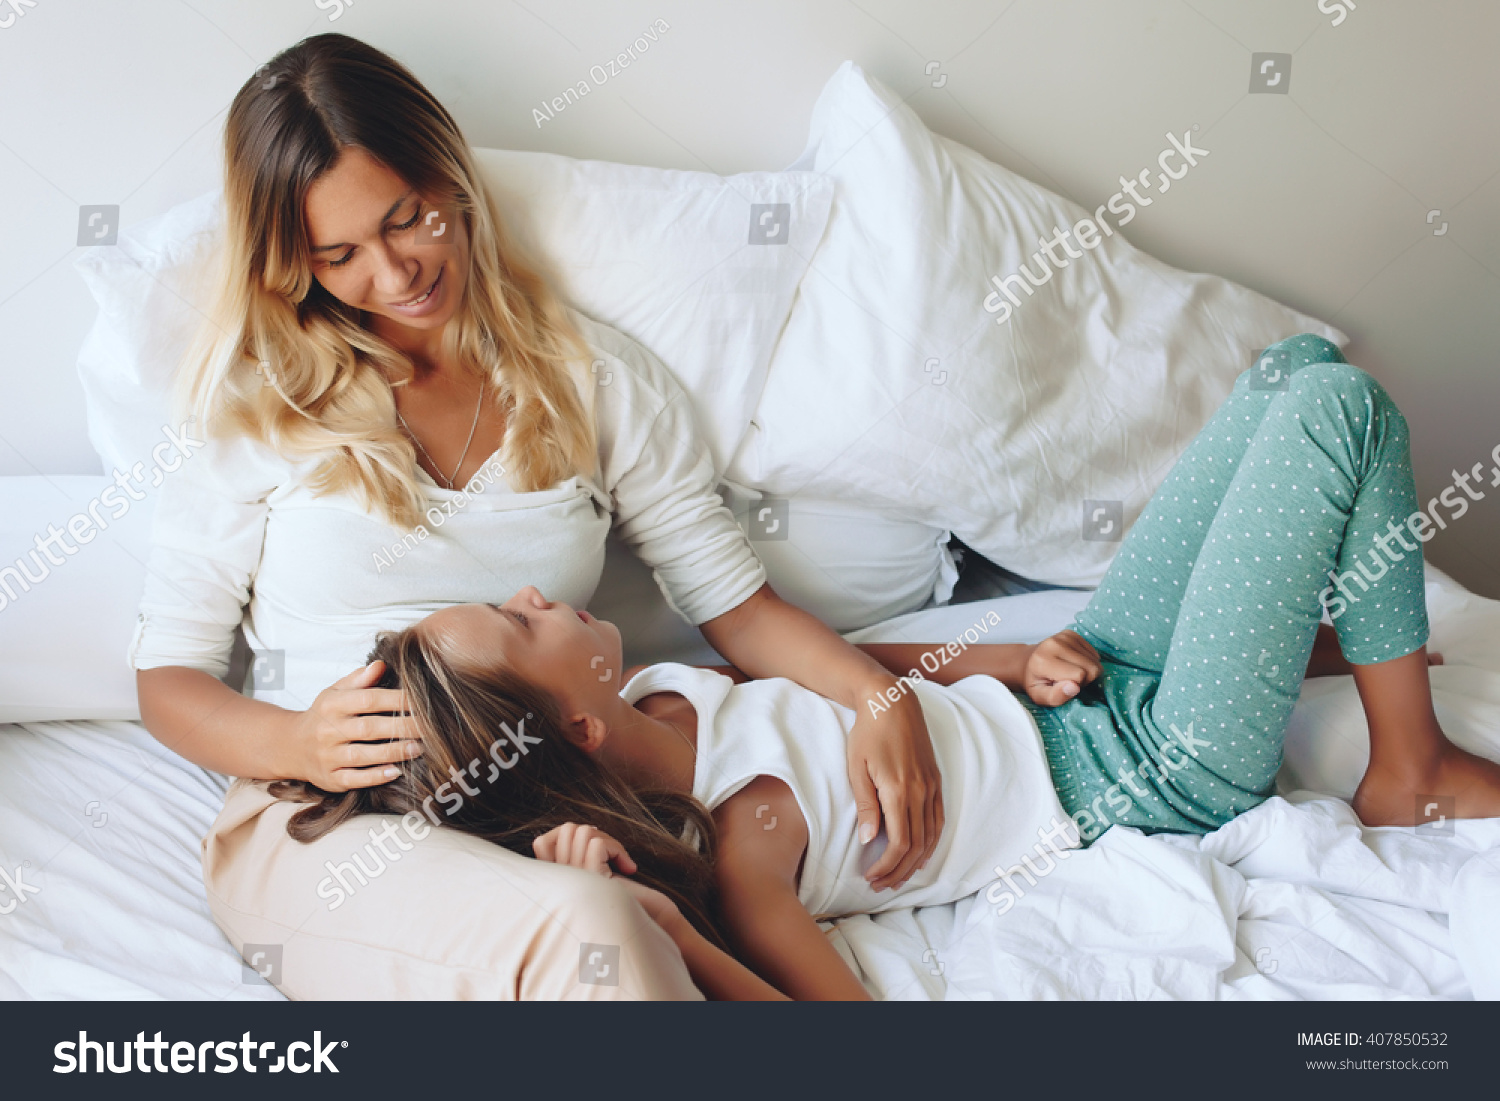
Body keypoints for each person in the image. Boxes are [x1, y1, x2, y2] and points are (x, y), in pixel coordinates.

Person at [271, 335, 1500, 1000]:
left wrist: (1014, 652)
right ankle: (1412, 769)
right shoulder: (747, 836)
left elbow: (851, 664)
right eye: (520, 621)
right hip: (1150, 770)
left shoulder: (666, 689)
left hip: (1081, 679)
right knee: (1344, 413)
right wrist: (658, 921)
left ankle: (1323, 665)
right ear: (576, 733)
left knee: (1293, 367)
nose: (538, 591)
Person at [130, 33, 942, 999]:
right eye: (340, 255)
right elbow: (166, 679)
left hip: (549, 806)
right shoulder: (257, 405)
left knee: (625, 918)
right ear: (293, 265)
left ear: (450, 173)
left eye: (407, 220)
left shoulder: (591, 377)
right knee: (593, 931)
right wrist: (297, 744)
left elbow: (736, 610)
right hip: (334, 818)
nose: (395, 276)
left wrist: (875, 692)